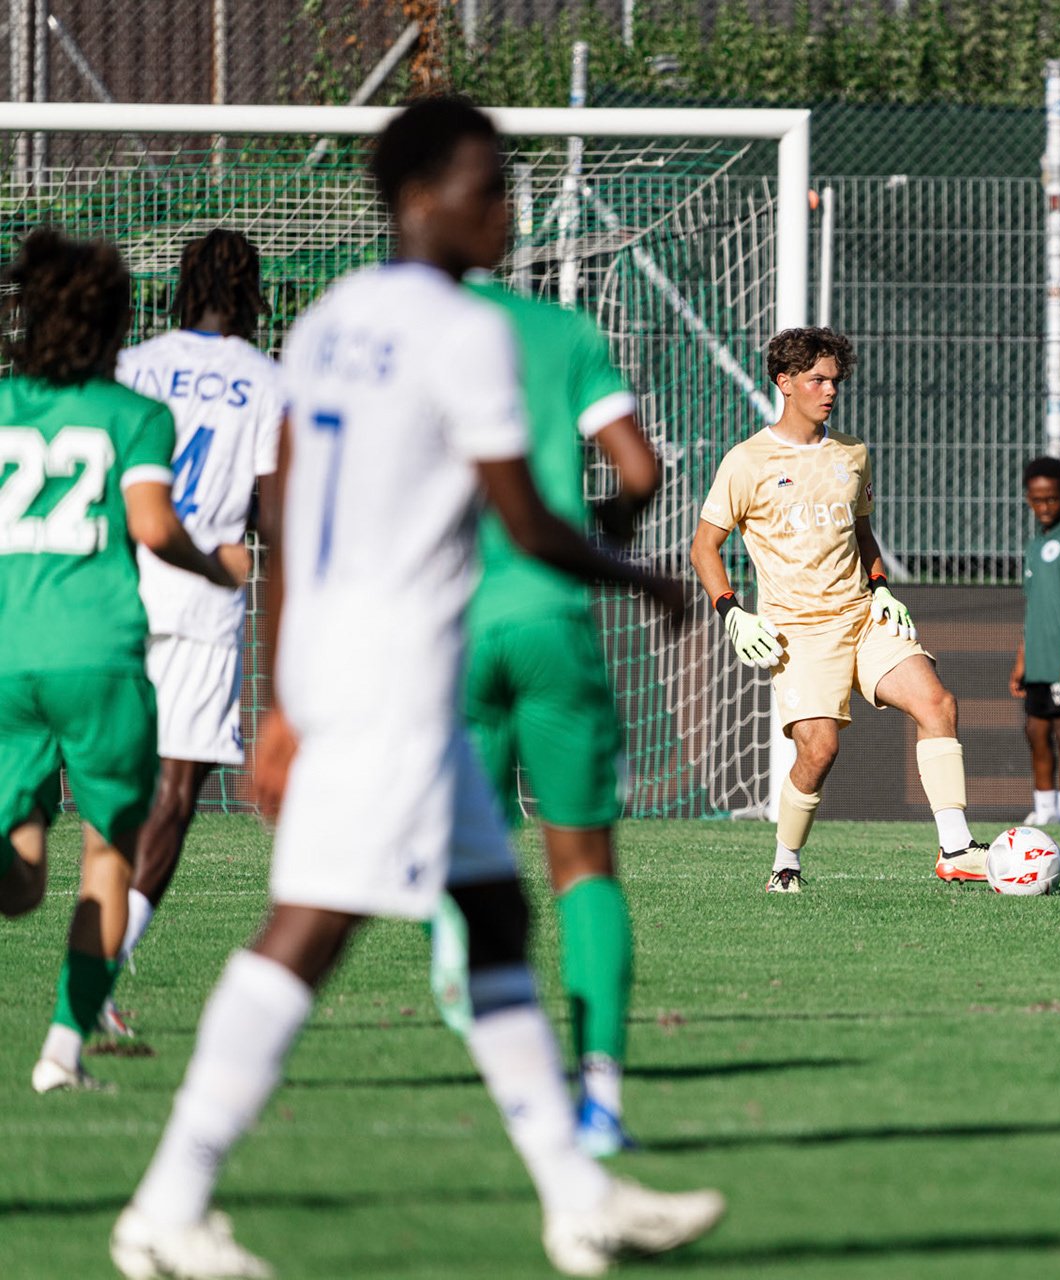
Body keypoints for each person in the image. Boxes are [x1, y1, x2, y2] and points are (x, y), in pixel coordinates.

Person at [111, 98, 722, 1279]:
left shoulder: (334, 319)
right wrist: (638, 574)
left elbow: (281, 500)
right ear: (421, 196)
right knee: (311, 928)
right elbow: (527, 515)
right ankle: (168, 1202)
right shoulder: (465, 332)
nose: (505, 209)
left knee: (494, 915)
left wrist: (282, 687)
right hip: (393, 674)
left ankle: (574, 1193)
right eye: (488, 186)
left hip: (357, 664)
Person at [0, 228, 241, 1094]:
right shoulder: (134, 414)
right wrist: (217, 563)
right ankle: (62, 1051)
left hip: (6, 655)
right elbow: (149, 524)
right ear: (111, 325)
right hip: (97, 656)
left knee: (20, 874)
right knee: (109, 850)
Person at [452, 269, 664, 1157]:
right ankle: (603, 1102)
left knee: (468, 864)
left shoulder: (391, 331)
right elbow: (640, 470)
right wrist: (611, 533)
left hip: (447, 623)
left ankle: (506, 1065)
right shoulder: (561, 330)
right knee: (583, 867)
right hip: (549, 616)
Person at [688, 327, 988, 892]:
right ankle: (786, 862)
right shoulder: (746, 461)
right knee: (820, 749)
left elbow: (863, 532)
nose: (829, 390)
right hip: (798, 632)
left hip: (861, 615)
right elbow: (704, 548)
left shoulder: (852, 453)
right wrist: (731, 609)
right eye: (816, 380)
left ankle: (956, 848)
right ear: (785, 383)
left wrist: (880, 586)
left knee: (937, 701)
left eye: (834, 380)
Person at [104, 231, 282, 1026]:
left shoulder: (134, 365)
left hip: (119, 592)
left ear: (182, 284)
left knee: (108, 784)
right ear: (251, 293)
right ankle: (105, 964)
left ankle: (92, 947)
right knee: (176, 793)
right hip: (206, 599)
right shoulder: (269, 380)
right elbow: (272, 512)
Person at [1007, 456, 1060, 826]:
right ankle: (1044, 810)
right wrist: (1022, 660)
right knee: (1035, 730)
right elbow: (1033, 607)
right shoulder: (1033, 546)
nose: (1045, 506)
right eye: (1037, 499)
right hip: (1038, 659)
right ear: (1028, 499)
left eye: (1052, 499)